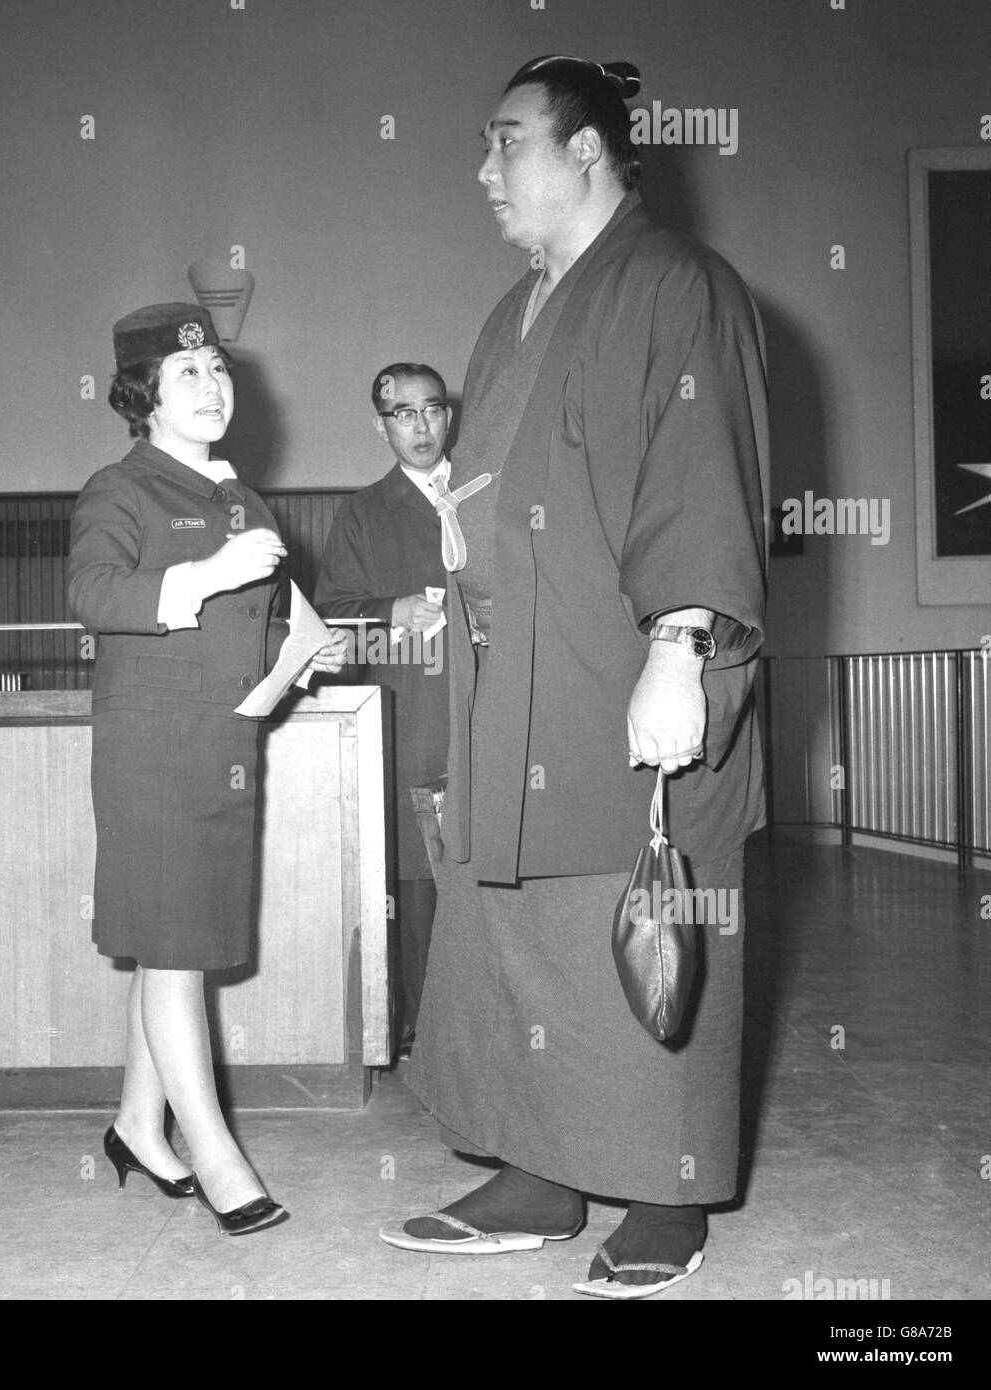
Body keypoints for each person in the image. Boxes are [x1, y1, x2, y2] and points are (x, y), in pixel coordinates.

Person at [380, 57, 769, 1299]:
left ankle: (667, 1189)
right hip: (517, 677)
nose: (484, 171)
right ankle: (541, 1173)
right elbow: (497, 478)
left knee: (651, 916)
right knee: (521, 919)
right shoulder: (513, 312)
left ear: (588, 150)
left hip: (628, 664)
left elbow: (702, 475)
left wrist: (683, 646)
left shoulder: (677, 287)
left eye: (507, 145)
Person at [68, 302, 346, 1237]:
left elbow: (260, 618)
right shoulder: (121, 487)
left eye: (220, 369)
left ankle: (138, 1125)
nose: (213, 386)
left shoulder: (244, 500)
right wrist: (214, 572)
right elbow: (95, 594)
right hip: (151, 744)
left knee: (173, 938)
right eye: (188, 374)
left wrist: (302, 648)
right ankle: (218, 1157)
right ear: (143, 395)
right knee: (176, 946)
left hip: (226, 743)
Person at [313, 363, 451, 1049]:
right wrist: (388, 610)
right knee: (417, 883)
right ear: (381, 426)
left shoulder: (493, 494)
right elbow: (332, 615)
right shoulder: (362, 513)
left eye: (431, 409)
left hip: (495, 715)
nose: (420, 425)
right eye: (403, 413)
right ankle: (424, 1036)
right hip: (414, 720)